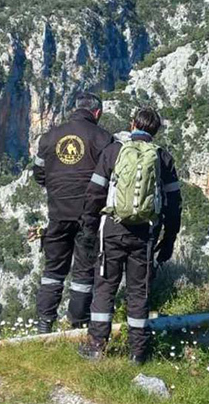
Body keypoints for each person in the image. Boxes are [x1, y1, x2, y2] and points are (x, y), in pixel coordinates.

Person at [78, 107, 182, 364]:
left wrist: (89, 231)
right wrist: (169, 239)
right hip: (144, 234)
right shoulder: (162, 158)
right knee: (139, 292)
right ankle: (138, 353)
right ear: (155, 131)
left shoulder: (113, 152)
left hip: (112, 230)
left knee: (105, 288)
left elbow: (94, 195)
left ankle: (96, 347)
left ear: (132, 123)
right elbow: (174, 203)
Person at [32, 92, 115, 334]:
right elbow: (111, 178)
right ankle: (78, 324)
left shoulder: (49, 137)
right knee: (83, 272)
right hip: (89, 217)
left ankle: (44, 324)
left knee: (52, 272)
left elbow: (39, 175)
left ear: (75, 109)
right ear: (97, 113)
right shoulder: (103, 138)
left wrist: (58, 188)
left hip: (57, 215)